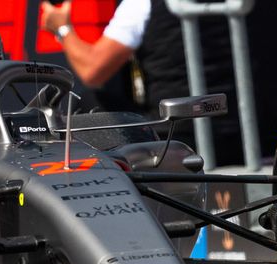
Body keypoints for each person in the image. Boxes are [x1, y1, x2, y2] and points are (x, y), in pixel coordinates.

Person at [40, 0, 242, 164]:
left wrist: (62, 28)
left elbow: (92, 70)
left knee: (89, 101)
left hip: (178, 140)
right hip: (255, 138)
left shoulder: (141, 4)